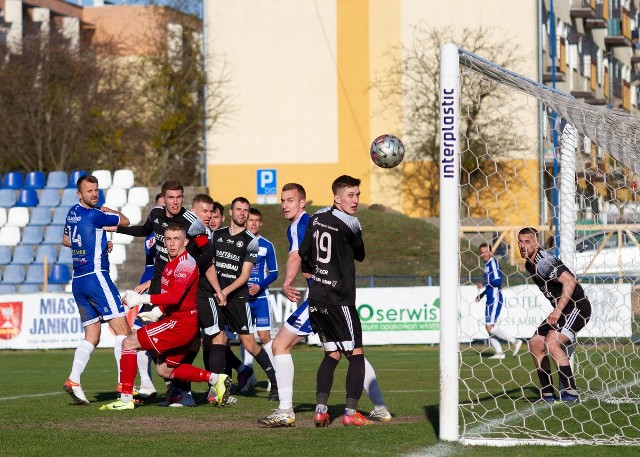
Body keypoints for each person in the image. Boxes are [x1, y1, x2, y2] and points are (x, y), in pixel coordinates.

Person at [258, 182, 390, 428]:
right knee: (348, 352)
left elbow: (298, 254)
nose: (285, 205)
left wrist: (288, 281)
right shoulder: (314, 221)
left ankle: (286, 410)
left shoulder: (306, 222)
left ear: (302, 203)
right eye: (282, 201)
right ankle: (379, 407)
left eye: (290, 200)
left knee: (282, 345)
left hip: (321, 297)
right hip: (327, 296)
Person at [100, 223, 231, 410]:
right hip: (178, 322)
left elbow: (175, 297)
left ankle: (126, 399)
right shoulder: (171, 264)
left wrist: (140, 299)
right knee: (165, 370)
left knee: (128, 343)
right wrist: (157, 312)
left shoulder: (186, 263)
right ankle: (216, 379)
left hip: (179, 324)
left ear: (185, 241)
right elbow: (172, 298)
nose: (172, 244)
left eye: (176, 239)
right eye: (168, 239)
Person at [116, 180, 214, 407]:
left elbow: (207, 251)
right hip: (159, 283)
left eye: (179, 197)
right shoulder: (156, 214)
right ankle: (158, 388)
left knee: (187, 339)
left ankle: (183, 392)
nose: (175, 202)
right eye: (171, 197)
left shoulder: (192, 221)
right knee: (143, 335)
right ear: (163, 198)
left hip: (183, 286)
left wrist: (189, 271)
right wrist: (117, 228)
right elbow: (143, 230)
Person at [298, 175, 372, 426]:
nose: (355, 200)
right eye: (350, 195)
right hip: (340, 299)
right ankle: (351, 414)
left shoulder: (316, 217)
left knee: (332, 353)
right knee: (356, 354)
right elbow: (360, 254)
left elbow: (304, 252)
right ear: (337, 198)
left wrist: (310, 270)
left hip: (317, 297)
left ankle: (320, 410)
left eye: (358, 195)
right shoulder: (351, 222)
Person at [62, 174, 131, 405]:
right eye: (89, 191)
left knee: (92, 336)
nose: (94, 194)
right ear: (79, 194)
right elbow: (125, 221)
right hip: (96, 277)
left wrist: (97, 243)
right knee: (124, 332)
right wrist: (103, 208)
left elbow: (66, 240)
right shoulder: (95, 213)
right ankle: (125, 387)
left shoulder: (72, 212)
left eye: (96, 190)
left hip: (78, 280)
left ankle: (73, 379)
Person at [207, 197, 278, 402]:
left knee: (249, 343)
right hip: (217, 296)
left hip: (237, 297)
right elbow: (210, 264)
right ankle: (217, 388)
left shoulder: (251, 241)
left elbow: (245, 276)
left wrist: (224, 291)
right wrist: (216, 291)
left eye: (245, 210)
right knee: (216, 340)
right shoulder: (216, 235)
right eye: (239, 209)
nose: (242, 213)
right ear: (231, 212)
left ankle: (275, 380)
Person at [517, 227, 591, 403]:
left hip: (577, 307)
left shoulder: (544, 262)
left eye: (527, 242)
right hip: (563, 308)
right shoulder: (529, 263)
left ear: (537, 243)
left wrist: (557, 310)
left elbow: (570, 281)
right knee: (535, 344)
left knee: (551, 342)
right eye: (520, 242)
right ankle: (548, 394)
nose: (522, 246)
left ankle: (570, 393)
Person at [236, 207, 279, 392]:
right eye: (250, 220)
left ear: (261, 223)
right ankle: (249, 377)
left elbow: (275, 272)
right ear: (245, 222)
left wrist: (259, 285)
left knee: (264, 337)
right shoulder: (238, 244)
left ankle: (273, 377)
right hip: (242, 298)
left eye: (256, 220)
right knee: (246, 337)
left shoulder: (267, 245)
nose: (253, 223)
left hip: (260, 297)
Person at [476, 242, 522, 359]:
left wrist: (484, 284)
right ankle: (499, 353)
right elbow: (491, 285)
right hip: (490, 297)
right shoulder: (487, 265)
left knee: (490, 327)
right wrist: (482, 295)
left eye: (486, 252)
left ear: (490, 252)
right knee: (489, 327)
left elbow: (497, 281)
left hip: (495, 297)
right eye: (482, 253)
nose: (484, 254)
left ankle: (514, 342)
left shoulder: (493, 263)